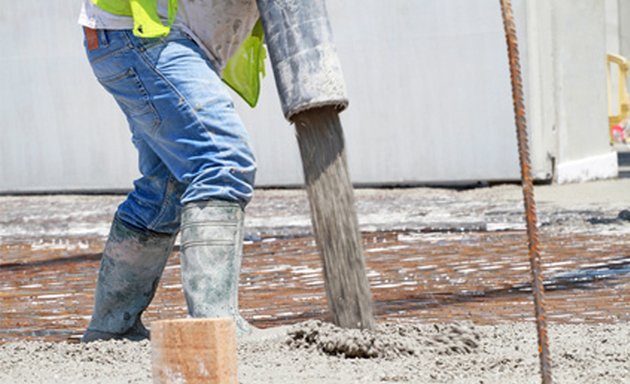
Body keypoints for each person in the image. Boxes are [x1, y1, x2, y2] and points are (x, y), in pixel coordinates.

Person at [78, 0, 261, 342]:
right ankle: (217, 328)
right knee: (222, 162)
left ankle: (112, 327)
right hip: (147, 37)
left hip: (142, 38)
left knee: (166, 188)